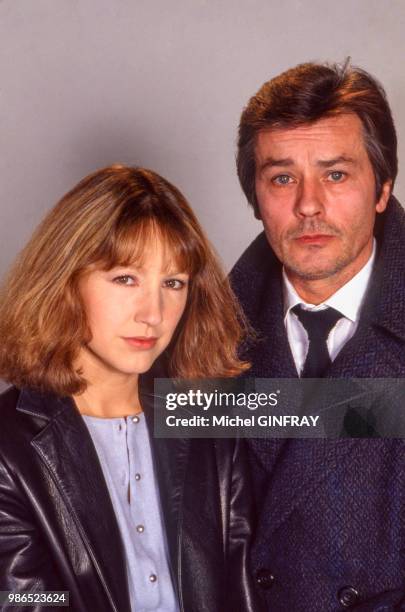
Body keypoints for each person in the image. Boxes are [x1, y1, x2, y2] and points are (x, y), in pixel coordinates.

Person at [0, 165, 261, 612]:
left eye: (173, 283)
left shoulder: (208, 420)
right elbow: (26, 601)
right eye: (126, 279)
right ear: (66, 281)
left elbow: (241, 589)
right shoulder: (9, 445)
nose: (153, 313)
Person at [231, 62, 405, 610]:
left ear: (381, 189)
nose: (308, 205)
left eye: (336, 175)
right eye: (282, 178)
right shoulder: (191, 332)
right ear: (255, 198)